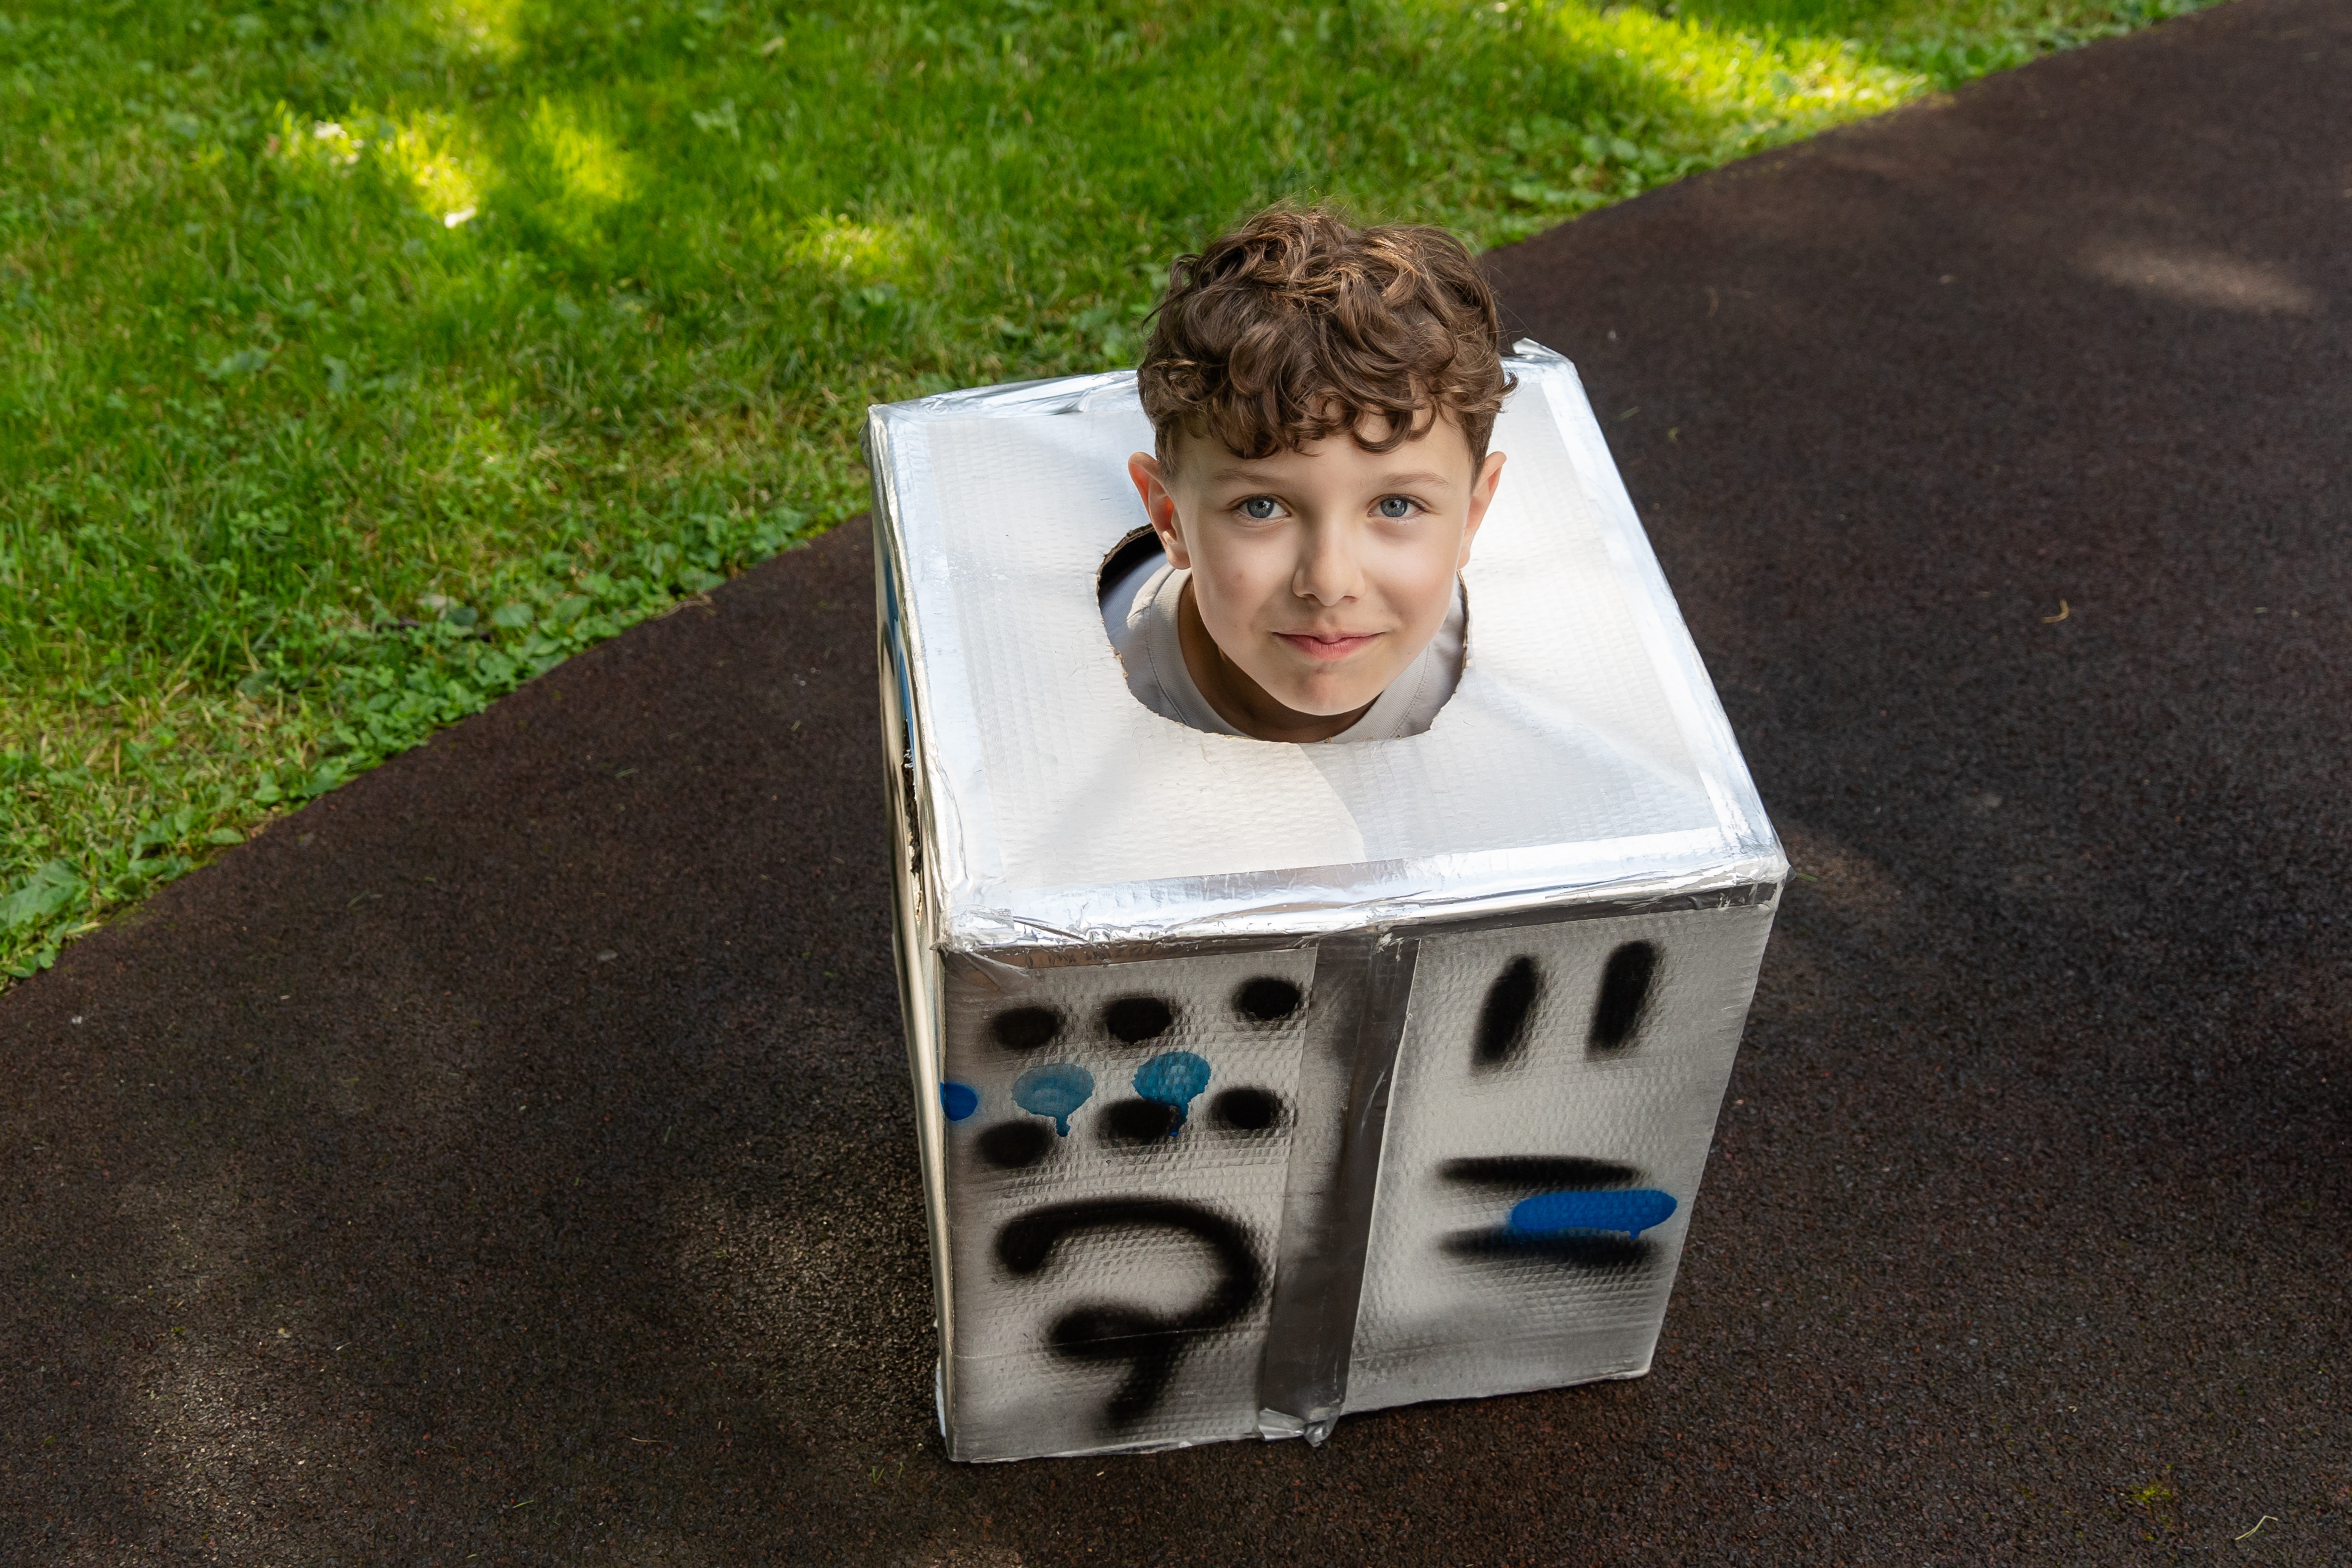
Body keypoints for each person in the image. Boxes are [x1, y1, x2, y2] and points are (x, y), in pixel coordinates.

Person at [1105, 206, 1511, 744]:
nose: (1329, 582)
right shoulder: (1097, 680)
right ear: (1169, 517)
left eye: (1395, 505)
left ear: (1471, 516)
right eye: (1261, 507)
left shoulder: (1504, 702)